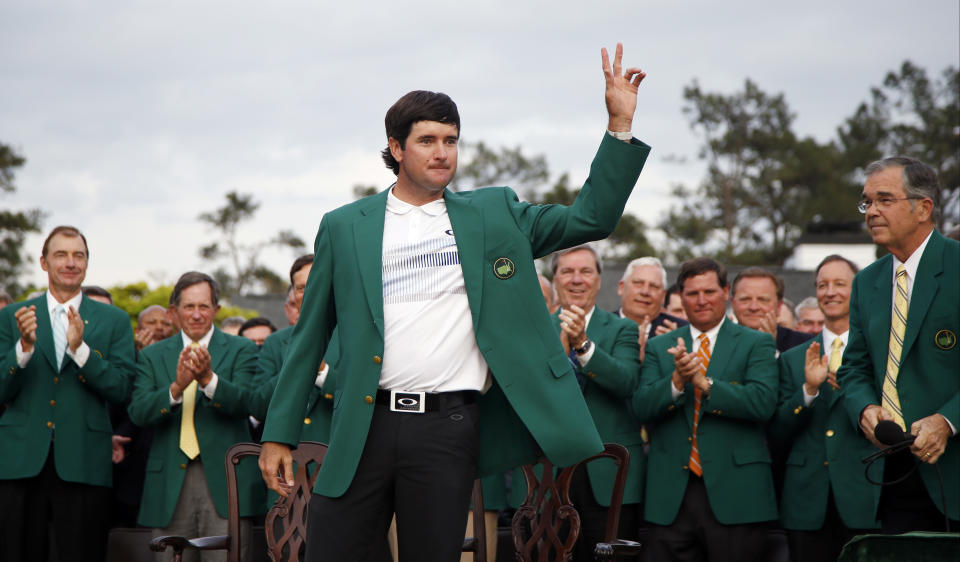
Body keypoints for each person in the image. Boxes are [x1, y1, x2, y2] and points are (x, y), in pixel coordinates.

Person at [258, 44, 650, 562]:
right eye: (427, 141)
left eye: (451, 140)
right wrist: (278, 434)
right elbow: (310, 338)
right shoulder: (344, 225)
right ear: (396, 148)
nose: (442, 152)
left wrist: (618, 126)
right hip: (363, 425)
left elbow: (591, 220)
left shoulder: (495, 213)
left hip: (448, 429)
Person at [0, 225, 136, 562]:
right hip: (20, 459)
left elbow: (121, 389)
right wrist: (23, 349)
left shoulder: (114, 320)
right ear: (44, 262)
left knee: (82, 552)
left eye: (79, 255)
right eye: (60, 254)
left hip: (84, 459)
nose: (70, 262)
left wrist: (81, 351)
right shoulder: (11, 316)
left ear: (87, 263)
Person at [839, 156, 959, 533]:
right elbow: (853, 367)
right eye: (866, 202)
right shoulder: (867, 282)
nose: (871, 211)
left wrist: (947, 421)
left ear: (924, 208)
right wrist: (863, 410)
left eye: (884, 200)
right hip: (891, 472)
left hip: (953, 471)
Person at [633, 257, 778, 562]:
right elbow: (642, 406)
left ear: (726, 292)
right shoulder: (661, 347)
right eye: (692, 293)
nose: (701, 301)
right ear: (680, 297)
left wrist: (705, 382)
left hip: (736, 494)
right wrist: (675, 381)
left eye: (709, 291)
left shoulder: (756, 343)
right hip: (672, 495)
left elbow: (763, 402)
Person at [129, 272, 262, 562]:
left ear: (216, 309)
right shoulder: (152, 355)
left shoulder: (243, 349)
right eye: (189, 307)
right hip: (169, 484)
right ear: (174, 312)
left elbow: (249, 402)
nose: (197, 314)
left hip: (227, 481)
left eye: (204, 306)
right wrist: (176, 388)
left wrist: (208, 380)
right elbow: (138, 412)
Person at [772, 255, 878, 562]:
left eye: (839, 284)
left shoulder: (879, 351)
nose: (830, 292)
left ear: (857, 289)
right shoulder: (794, 358)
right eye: (823, 285)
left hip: (864, 492)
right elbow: (778, 429)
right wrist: (808, 391)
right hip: (806, 500)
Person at [551, 244, 643, 559]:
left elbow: (626, 382)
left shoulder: (622, 329)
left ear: (599, 280)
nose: (577, 279)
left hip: (607, 475)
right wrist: (560, 350)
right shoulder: (534, 331)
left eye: (585, 271)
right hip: (547, 473)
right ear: (555, 280)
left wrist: (583, 345)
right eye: (567, 271)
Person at [730, 267, 814, 354]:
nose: (753, 307)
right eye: (745, 299)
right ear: (733, 303)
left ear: (779, 306)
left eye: (763, 300)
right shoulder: (720, 342)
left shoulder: (805, 345)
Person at [617, 256, 687, 340]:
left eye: (654, 286)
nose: (645, 292)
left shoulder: (683, 331)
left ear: (663, 296)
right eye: (638, 283)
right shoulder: (599, 325)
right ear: (621, 287)